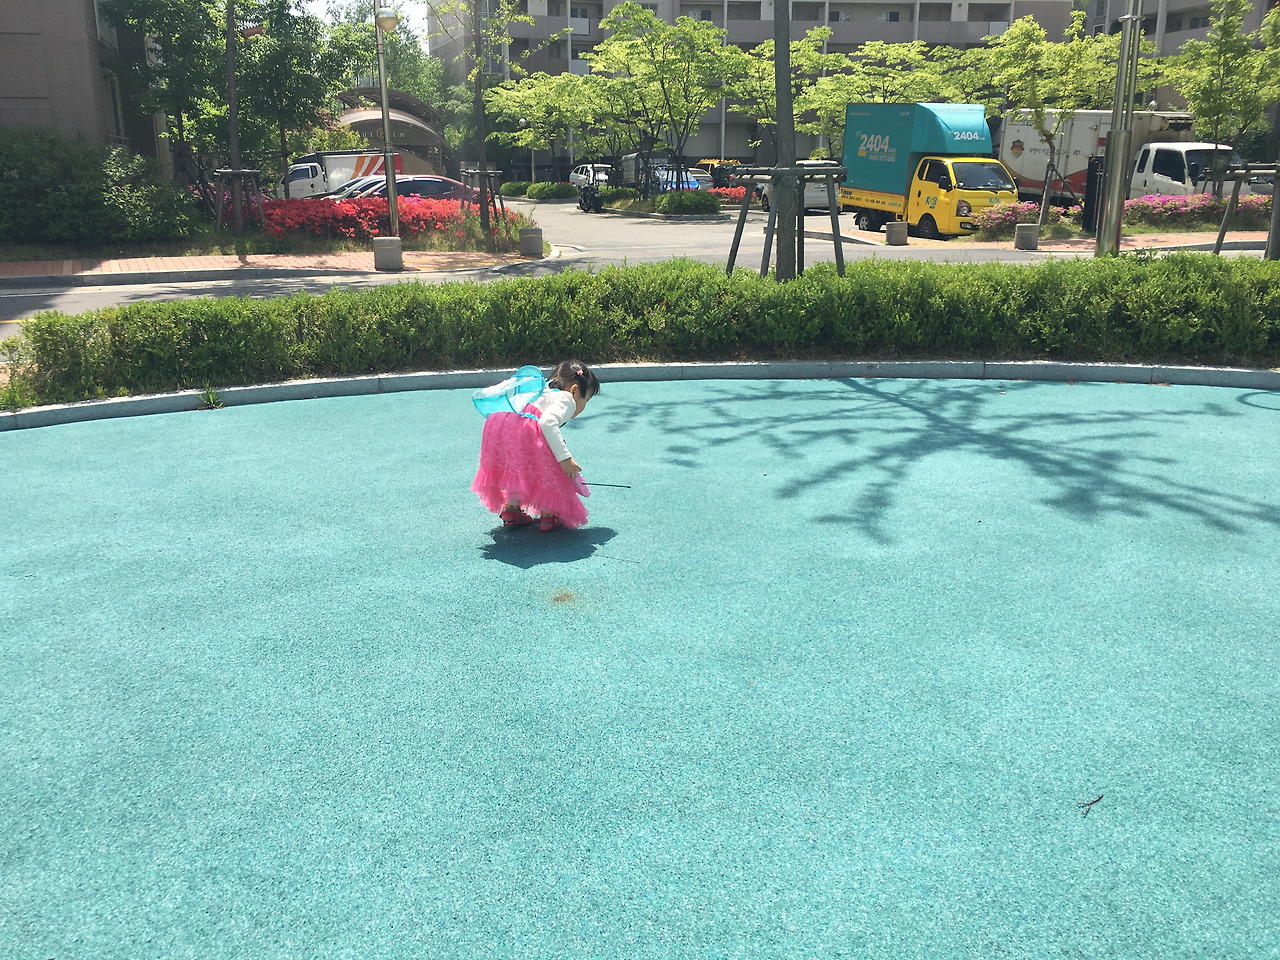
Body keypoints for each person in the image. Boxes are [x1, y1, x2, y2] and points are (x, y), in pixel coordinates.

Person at [470, 360, 601, 532]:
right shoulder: (567, 398)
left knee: (518, 469)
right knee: (549, 471)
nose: (583, 406)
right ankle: (548, 516)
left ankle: (512, 510)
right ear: (575, 390)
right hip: (526, 429)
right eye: (586, 399)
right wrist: (565, 459)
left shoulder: (544, 390)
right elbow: (547, 423)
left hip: (504, 424)